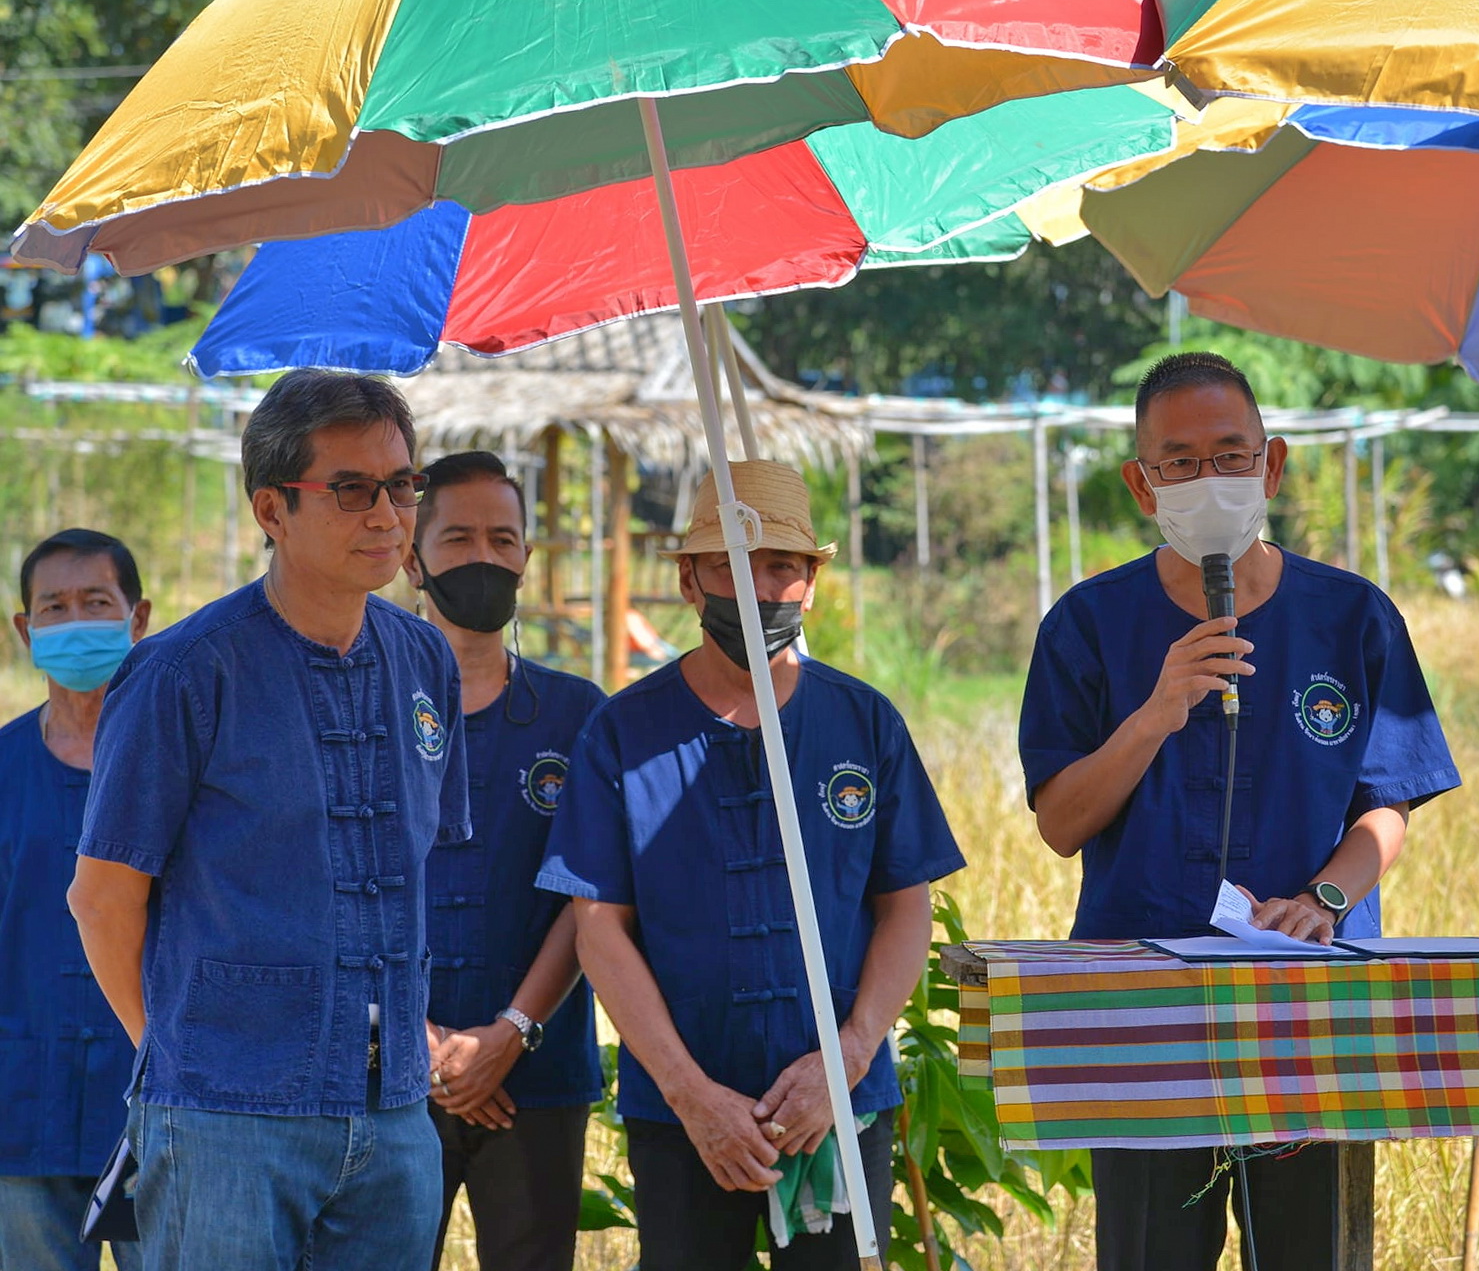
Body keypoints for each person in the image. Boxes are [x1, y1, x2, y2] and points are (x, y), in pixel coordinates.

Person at [1018, 352, 1460, 1271]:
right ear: (1142, 486)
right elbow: (1061, 823)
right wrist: (1154, 714)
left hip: (1312, 1000)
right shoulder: (1087, 624)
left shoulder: (1354, 618)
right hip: (1145, 1012)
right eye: (1177, 463)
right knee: (1149, 1249)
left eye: (1229, 454)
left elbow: (1388, 808)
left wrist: (1327, 902)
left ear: (1275, 464)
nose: (1206, 479)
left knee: (1309, 1249)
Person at [66, 370, 469, 1271]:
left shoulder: (423, 659)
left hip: (395, 1111)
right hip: (224, 1116)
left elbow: (422, 865)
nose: (387, 514)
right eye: (352, 490)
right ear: (272, 509)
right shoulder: (182, 673)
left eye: (402, 485)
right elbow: (101, 900)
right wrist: (181, 1060)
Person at [537, 460, 964, 1270]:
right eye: (732, 564)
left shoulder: (863, 723)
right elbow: (599, 930)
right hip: (685, 1121)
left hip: (839, 1106)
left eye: (782, 567)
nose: (760, 588)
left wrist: (849, 1056)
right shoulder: (623, 734)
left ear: (810, 583)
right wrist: (692, 1096)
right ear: (692, 581)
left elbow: (907, 906)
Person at [403, 450, 606, 1271]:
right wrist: (416, 1042)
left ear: (526, 556)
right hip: (388, 1073)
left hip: (538, 1075)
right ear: (412, 559)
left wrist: (510, 1035)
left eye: (502, 537)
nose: (482, 558)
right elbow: (335, 888)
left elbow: (588, 898)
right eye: (456, 538)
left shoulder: (578, 714)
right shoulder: (361, 705)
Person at [0, 530, 150, 1271]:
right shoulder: (3, 769)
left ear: (138, 618)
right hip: (21, 1101)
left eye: (96, 602)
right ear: (25, 631)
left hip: (157, 1108)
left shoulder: (179, 767)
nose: (75, 621)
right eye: (53, 607)